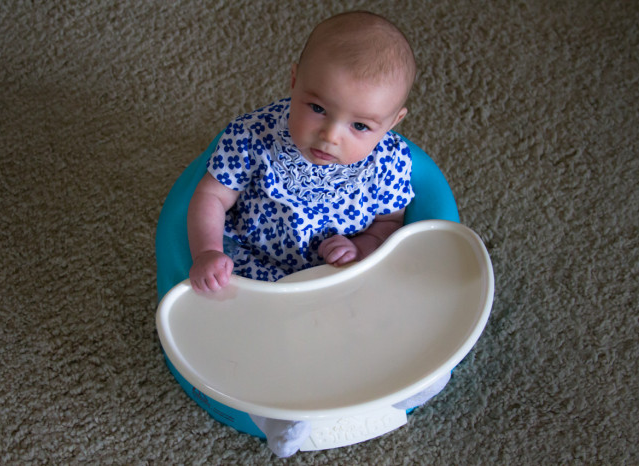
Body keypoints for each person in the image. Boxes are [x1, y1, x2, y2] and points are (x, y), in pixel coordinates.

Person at [187, 10, 450, 457]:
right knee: (255, 338)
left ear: (393, 121)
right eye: (317, 108)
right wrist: (208, 253)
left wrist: (360, 247)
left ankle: (405, 382)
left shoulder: (387, 163)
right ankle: (279, 409)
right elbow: (211, 197)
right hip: (261, 266)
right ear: (293, 80)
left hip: (339, 276)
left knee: (388, 319)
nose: (330, 135)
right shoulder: (251, 137)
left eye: (360, 126)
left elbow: (390, 226)